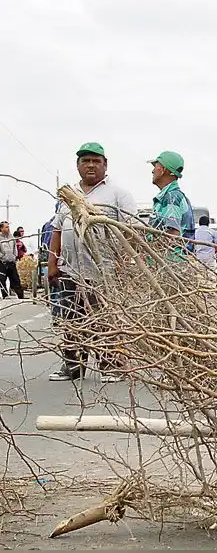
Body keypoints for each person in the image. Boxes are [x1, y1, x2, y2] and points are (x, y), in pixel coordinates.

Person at [48, 142, 137, 383]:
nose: (90, 165)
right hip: (70, 269)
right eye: (85, 160)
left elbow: (130, 232)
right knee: (71, 319)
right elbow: (57, 230)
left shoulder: (118, 194)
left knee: (104, 319)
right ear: (77, 165)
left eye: (96, 161)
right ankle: (73, 366)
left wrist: (123, 263)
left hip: (104, 271)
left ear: (105, 165)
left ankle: (111, 365)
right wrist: (52, 264)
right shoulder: (68, 194)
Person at [148, 151, 194, 263]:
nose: (153, 170)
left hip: (169, 263)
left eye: (156, 166)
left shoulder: (171, 197)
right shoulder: (169, 196)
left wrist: (148, 249)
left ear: (164, 170)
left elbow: (172, 235)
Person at [0, 222, 24, 299]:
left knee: (16, 279)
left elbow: (15, 249)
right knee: (2, 280)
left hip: (12, 262)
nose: (8, 228)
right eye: (6, 227)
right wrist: (2, 256)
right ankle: (5, 295)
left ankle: (21, 296)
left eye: (8, 227)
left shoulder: (12, 237)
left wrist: (14, 256)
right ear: (1, 228)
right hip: (2, 263)